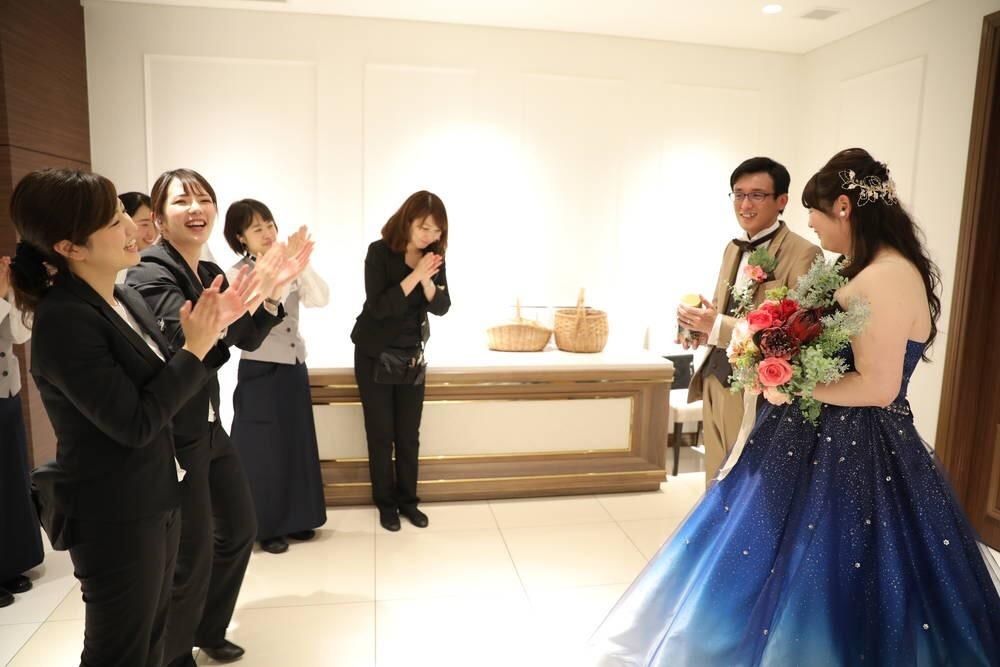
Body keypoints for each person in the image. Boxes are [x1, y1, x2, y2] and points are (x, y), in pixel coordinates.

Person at [588, 149, 1000, 666]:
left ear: (844, 207)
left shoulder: (884, 276)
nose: (815, 229)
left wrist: (795, 381)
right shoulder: (868, 268)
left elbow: (879, 388)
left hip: (861, 446)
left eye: (817, 215)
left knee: (838, 561)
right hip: (826, 436)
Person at [8, 168, 241, 666]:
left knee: (152, 639)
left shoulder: (122, 296)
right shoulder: (64, 320)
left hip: (157, 495)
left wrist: (210, 334)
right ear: (71, 247)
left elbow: (168, 387)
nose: (135, 228)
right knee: (119, 652)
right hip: (114, 514)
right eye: (115, 221)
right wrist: (195, 348)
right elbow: (135, 422)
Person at [127, 169, 311, 666]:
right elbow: (186, 345)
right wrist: (244, 299)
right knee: (190, 557)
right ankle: (173, 654)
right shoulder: (150, 272)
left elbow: (245, 337)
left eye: (204, 198)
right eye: (181, 200)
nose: (196, 208)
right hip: (174, 433)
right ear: (159, 218)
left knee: (239, 530)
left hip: (209, 425)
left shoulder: (208, 270)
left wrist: (271, 291)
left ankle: (207, 629)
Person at [678, 157, 822, 485]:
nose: (745, 204)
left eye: (757, 195)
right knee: (714, 480)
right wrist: (698, 326)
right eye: (739, 194)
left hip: (754, 390)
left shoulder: (803, 253)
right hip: (714, 377)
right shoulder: (732, 248)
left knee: (744, 483)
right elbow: (724, 307)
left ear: (782, 201)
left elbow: (793, 333)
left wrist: (716, 325)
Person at [223, 199, 329, 555]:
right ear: (241, 238)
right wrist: (276, 277)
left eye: (269, 224)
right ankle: (267, 527)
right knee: (263, 451)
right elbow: (245, 318)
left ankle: (299, 519)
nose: (267, 232)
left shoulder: (290, 263)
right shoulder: (237, 273)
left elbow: (320, 299)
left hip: (294, 364)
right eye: (257, 228)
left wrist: (301, 264)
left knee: (295, 443)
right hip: (259, 369)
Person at [351, 191, 450, 532]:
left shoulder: (434, 258)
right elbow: (379, 307)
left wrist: (427, 278)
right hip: (374, 354)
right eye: (424, 227)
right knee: (381, 435)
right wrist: (416, 275)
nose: (429, 236)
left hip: (411, 357)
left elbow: (442, 306)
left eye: (436, 230)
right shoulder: (379, 253)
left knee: (409, 435)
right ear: (407, 221)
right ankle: (386, 504)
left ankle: (409, 501)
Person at [0, 255, 43, 608]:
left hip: (7, 390)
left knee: (12, 480)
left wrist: (10, 293)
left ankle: (11, 563)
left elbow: (19, 334)